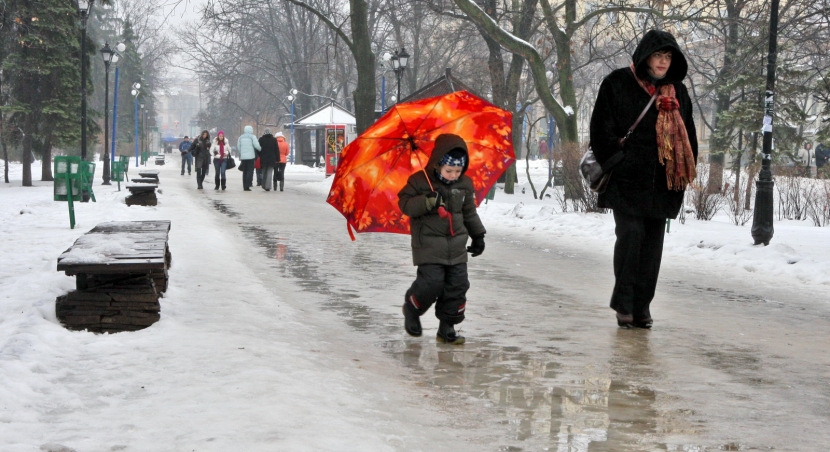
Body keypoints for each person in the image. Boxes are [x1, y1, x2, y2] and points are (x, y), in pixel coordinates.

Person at [589, 29, 697, 329]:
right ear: (645, 55)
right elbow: (600, 128)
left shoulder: (678, 92)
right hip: (626, 181)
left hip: (662, 184)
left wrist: (684, 174)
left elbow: (688, 134)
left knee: (652, 247)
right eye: (658, 55)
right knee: (631, 237)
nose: (663, 62)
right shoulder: (617, 83)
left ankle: (642, 306)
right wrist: (618, 162)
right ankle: (624, 304)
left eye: (668, 56)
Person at [397, 134, 487, 344]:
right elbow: (406, 205)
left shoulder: (464, 184)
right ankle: (412, 308)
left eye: (458, 171)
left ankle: (447, 327)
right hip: (428, 245)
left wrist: (478, 235)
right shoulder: (420, 181)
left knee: (458, 286)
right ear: (438, 165)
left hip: (456, 245)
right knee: (432, 283)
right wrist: (426, 201)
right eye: (449, 170)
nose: (454, 175)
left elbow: (469, 212)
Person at [237, 125, 261, 191]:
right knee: (250, 171)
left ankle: (244, 185)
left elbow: (238, 146)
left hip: (243, 157)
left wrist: (242, 152)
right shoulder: (253, 137)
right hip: (251, 156)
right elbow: (256, 145)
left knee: (244, 171)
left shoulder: (240, 137)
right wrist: (260, 149)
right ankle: (248, 185)